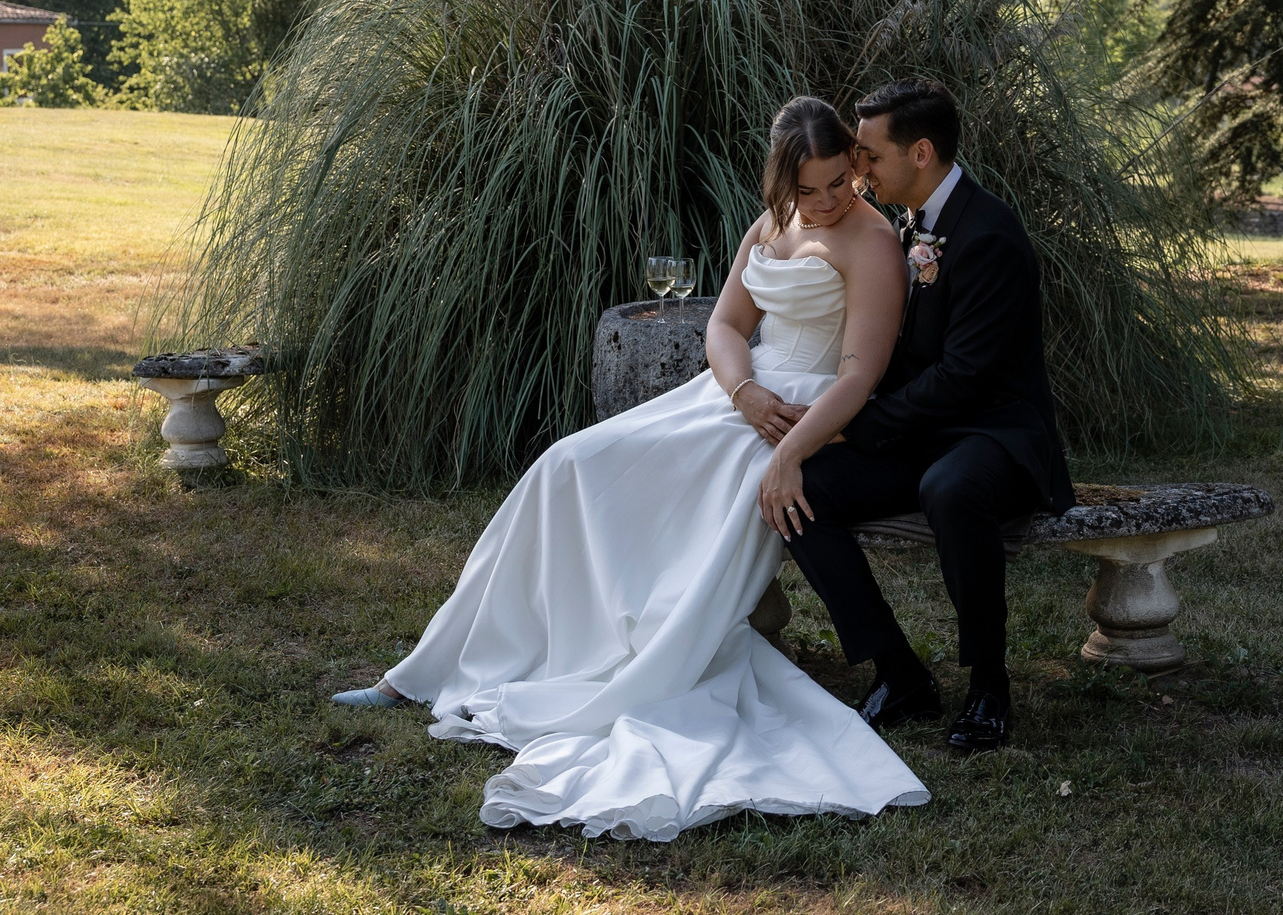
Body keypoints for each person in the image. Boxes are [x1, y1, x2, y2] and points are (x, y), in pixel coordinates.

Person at [331, 97, 930, 841]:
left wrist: (786, 446)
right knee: (565, 463)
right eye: (808, 189)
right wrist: (740, 387)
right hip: (733, 396)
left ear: (853, 160)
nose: (828, 200)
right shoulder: (772, 221)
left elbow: (858, 376)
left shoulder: (871, 242)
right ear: (781, 183)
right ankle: (427, 667)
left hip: (802, 415)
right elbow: (724, 323)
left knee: (671, 488)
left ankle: (633, 647)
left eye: (840, 180)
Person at [776, 78, 1075, 753]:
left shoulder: (990, 233)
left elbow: (963, 379)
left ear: (920, 153)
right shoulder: (910, 225)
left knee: (951, 487)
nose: (858, 168)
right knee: (805, 487)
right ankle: (897, 668)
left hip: (995, 433)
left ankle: (989, 686)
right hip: (923, 431)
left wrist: (859, 423)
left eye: (869, 155)